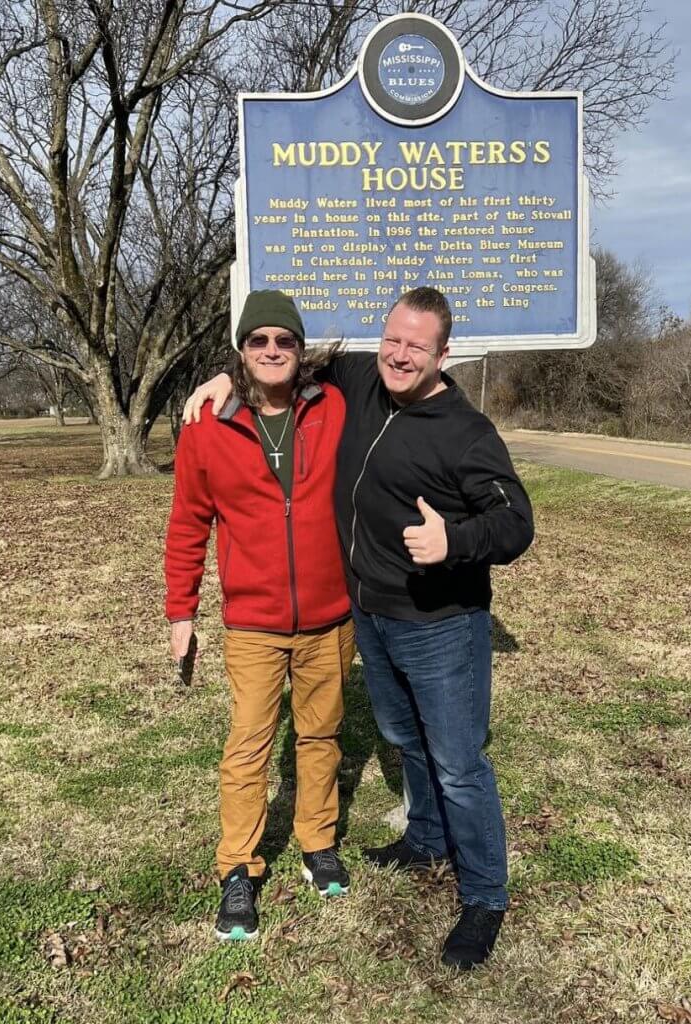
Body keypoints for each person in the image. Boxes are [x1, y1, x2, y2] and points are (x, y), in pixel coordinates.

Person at [185, 286, 534, 968]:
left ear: (444, 354)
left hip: (441, 623)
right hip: (370, 615)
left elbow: (516, 520)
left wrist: (455, 542)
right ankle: (427, 838)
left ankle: (485, 897)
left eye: (418, 346)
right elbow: (283, 361)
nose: (400, 356)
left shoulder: (465, 432)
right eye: (393, 340)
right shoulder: (362, 380)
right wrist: (227, 374)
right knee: (403, 737)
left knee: (459, 764)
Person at [165, 289, 354, 943]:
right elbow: (188, 522)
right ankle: (238, 869)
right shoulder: (208, 424)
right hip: (253, 623)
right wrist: (180, 611)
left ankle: (316, 842)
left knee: (321, 738)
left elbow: (381, 363)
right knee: (248, 748)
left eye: (284, 341)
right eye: (258, 341)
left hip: (331, 616)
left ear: (300, 353)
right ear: (241, 351)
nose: (271, 351)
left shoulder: (331, 407)